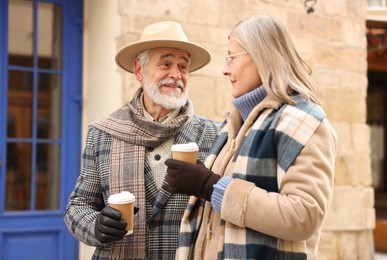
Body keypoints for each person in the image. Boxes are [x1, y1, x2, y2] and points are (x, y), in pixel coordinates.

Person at [163, 15, 337, 260]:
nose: (225, 70)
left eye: (231, 57)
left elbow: (304, 216)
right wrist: (203, 181)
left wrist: (210, 186)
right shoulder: (234, 123)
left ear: (261, 56)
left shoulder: (304, 121)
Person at [64, 21, 220, 259]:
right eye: (166, 64)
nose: (176, 75)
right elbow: (77, 207)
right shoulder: (103, 133)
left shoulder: (214, 134)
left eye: (183, 67)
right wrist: (96, 225)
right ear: (139, 71)